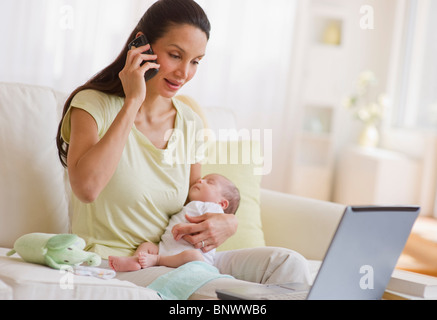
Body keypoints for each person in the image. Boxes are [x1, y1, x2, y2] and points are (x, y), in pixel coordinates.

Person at [56, 0, 311, 298]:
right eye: (176, 55)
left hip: (181, 256)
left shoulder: (188, 121)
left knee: (288, 264)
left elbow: (195, 197)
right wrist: (132, 102)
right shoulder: (92, 105)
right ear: (142, 46)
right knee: (228, 294)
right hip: (119, 263)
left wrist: (227, 221)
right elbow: (86, 188)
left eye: (195, 61)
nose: (184, 73)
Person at [108, 174, 240, 272]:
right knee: (147, 246)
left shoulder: (213, 209)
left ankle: (157, 260)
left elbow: (205, 230)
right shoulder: (187, 206)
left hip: (193, 261)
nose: (200, 180)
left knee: (193, 255)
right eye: (203, 178)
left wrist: (187, 228)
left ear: (222, 203)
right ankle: (135, 261)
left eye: (209, 182)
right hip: (166, 250)